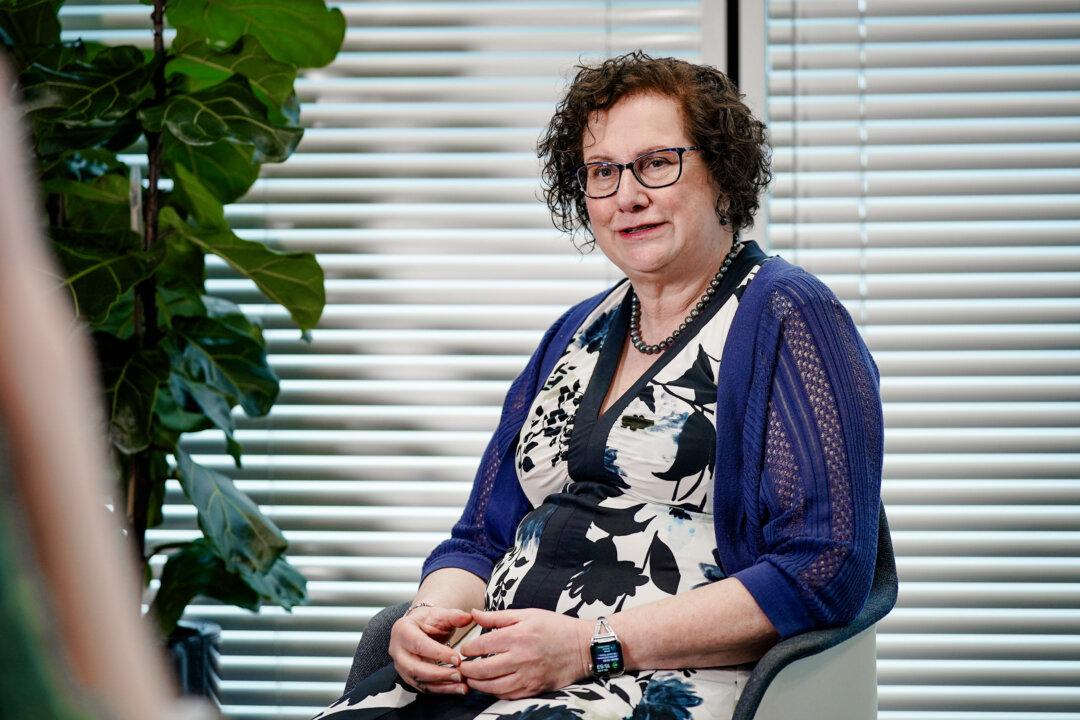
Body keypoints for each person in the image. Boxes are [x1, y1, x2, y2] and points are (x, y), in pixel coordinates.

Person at [315, 50, 884, 719]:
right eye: (603, 172)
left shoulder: (790, 316)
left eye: (656, 163)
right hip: (489, 675)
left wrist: (592, 646)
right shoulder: (575, 331)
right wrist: (428, 616)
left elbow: (824, 569)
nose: (628, 195)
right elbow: (479, 536)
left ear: (722, 173)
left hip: (648, 685)